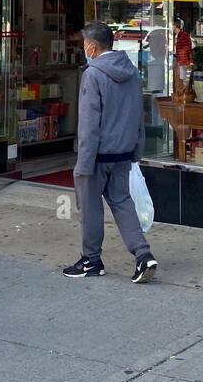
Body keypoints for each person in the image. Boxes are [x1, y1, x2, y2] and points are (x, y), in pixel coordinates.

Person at [63, 20, 158, 284]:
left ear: (92, 47)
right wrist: (136, 150)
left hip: (98, 155)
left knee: (91, 209)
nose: (84, 49)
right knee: (122, 202)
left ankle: (91, 260)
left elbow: (89, 124)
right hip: (123, 152)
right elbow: (139, 113)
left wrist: (83, 163)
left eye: (84, 45)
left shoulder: (93, 74)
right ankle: (143, 254)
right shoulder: (132, 72)